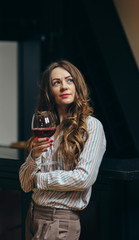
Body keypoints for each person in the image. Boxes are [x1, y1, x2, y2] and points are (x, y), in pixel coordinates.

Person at [19, 60, 106, 240]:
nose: (64, 87)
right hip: (33, 214)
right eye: (56, 83)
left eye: (69, 80)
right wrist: (33, 157)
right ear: (48, 91)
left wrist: (39, 179)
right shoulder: (47, 127)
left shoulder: (91, 126)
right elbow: (25, 183)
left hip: (58, 219)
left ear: (77, 85)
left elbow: (84, 177)